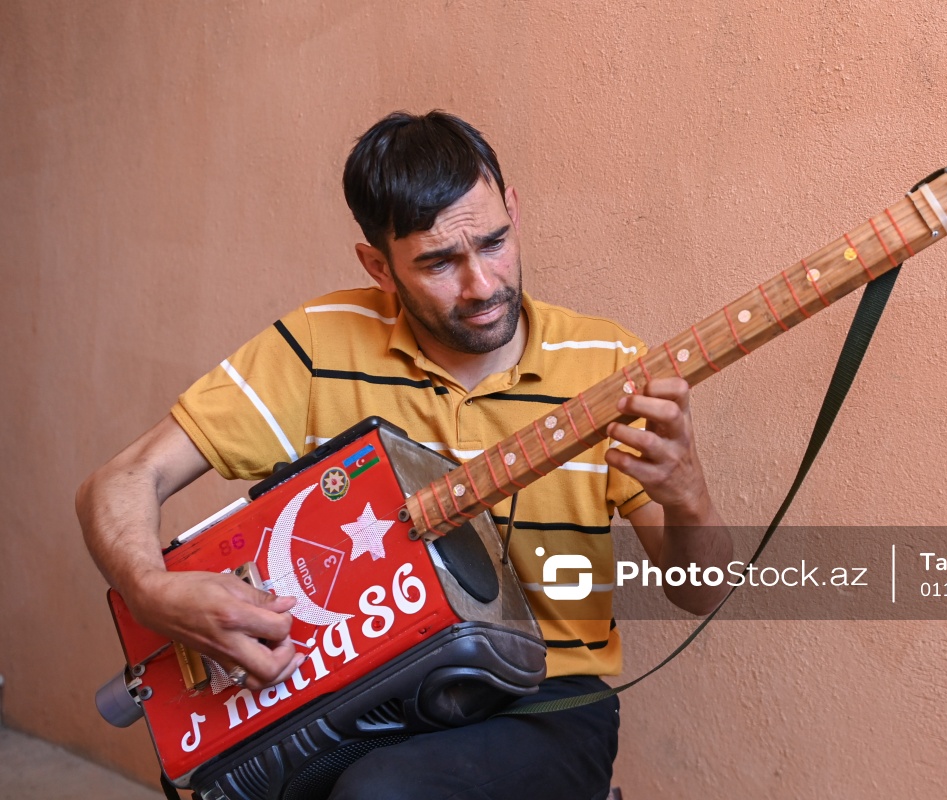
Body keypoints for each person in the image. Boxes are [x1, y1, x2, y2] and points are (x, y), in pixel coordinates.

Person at [77, 110, 732, 799]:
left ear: (513, 211)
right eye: (439, 262)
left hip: (543, 702)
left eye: (495, 242)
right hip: (362, 692)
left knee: (381, 794)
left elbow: (702, 592)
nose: (482, 285)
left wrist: (687, 496)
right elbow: (123, 478)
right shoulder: (318, 346)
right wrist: (150, 591)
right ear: (378, 266)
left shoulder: (609, 366)